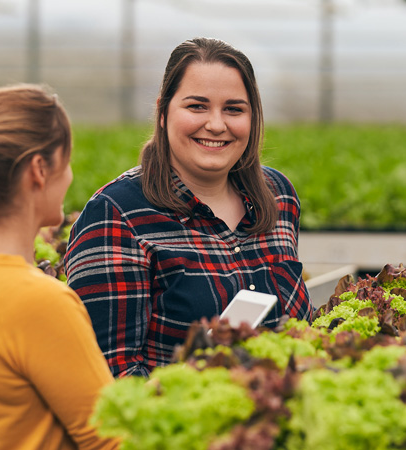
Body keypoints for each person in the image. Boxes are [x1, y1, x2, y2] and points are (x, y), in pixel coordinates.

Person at [65, 37, 313, 378]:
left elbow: (299, 331)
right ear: (164, 113)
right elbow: (111, 373)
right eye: (197, 106)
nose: (216, 124)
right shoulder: (116, 215)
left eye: (233, 109)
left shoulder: (278, 197)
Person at [0, 85, 118, 450]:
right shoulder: (42, 302)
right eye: (68, 161)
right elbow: (112, 437)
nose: (71, 175)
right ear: (39, 169)